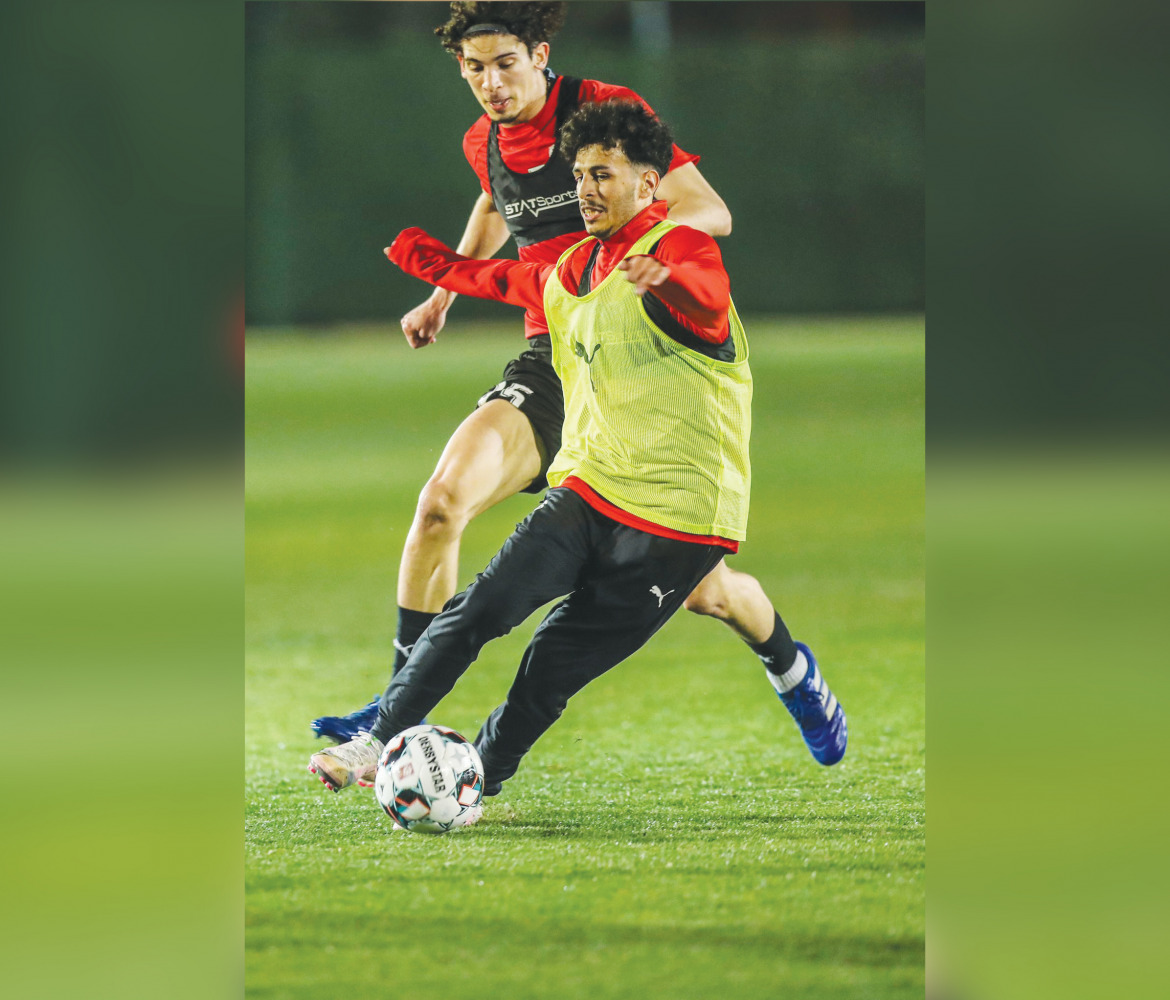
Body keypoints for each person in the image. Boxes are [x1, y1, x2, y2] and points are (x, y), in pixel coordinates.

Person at [308, 100, 847, 805]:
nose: (586, 190)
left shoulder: (682, 251)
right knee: (478, 608)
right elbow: (503, 279)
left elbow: (709, 296)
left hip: (675, 520)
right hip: (590, 491)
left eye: (604, 175)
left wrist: (670, 280)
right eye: (581, 175)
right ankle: (379, 740)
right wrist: (429, 262)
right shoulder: (570, 267)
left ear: (650, 187)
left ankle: (481, 779)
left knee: (550, 668)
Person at [310, 1, 764, 744]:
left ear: (542, 53)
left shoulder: (601, 112)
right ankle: (394, 710)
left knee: (705, 593)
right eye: (474, 69)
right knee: (439, 504)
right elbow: (498, 203)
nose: (491, 83)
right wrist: (440, 297)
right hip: (552, 360)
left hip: (633, 365)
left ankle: (786, 662)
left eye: (506, 64)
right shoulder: (481, 141)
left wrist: (652, 257)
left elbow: (710, 211)